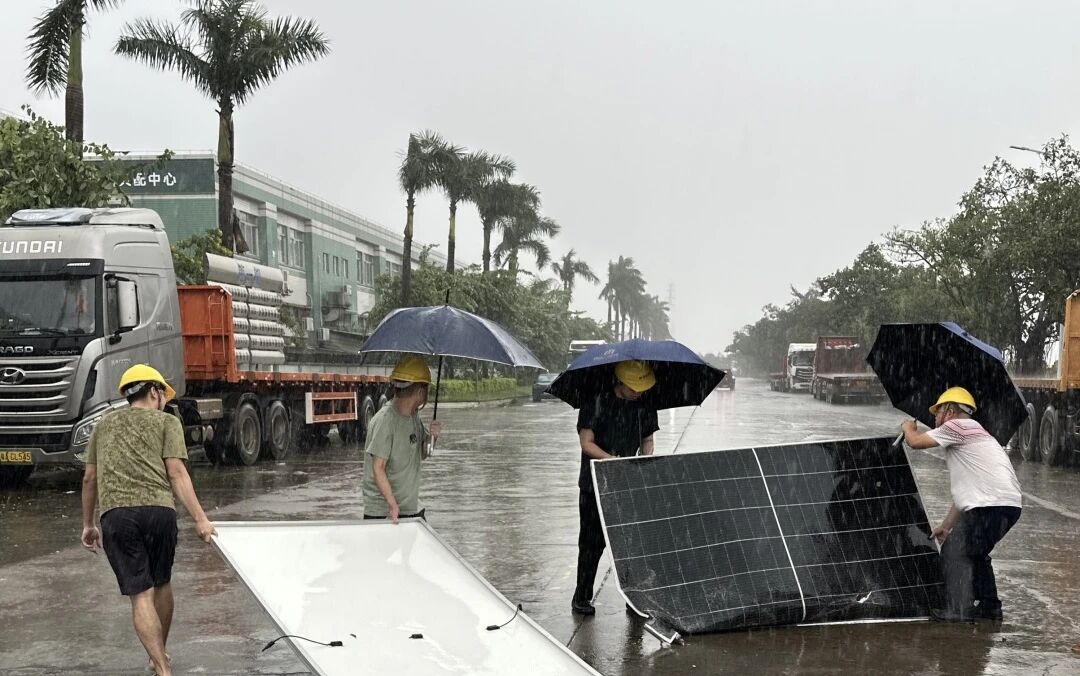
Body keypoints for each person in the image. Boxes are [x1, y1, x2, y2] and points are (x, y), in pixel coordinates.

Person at [80, 364, 216, 676]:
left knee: (141, 595)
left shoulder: (103, 425)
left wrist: (88, 524)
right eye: (163, 395)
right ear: (154, 391)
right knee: (162, 582)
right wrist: (201, 519)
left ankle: (161, 666)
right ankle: (159, 657)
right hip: (159, 513)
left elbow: (89, 478)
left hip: (118, 515)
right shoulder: (167, 422)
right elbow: (177, 473)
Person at [901, 386, 1022, 622]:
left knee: (954, 552)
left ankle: (958, 609)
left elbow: (915, 442)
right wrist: (946, 526)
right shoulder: (977, 434)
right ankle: (989, 608)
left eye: (937, 412)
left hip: (991, 504)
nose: (934, 417)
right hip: (1006, 505)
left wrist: (908, 429)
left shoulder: (958, 426)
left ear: (949, 410)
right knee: (975, 553)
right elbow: (964, 497)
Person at [572, 359, 659, 616]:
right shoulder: (595, 401)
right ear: (620, 382)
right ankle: (582, 597)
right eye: (633, 387)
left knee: (631, 544)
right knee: (591, 544)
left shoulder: (645, 404)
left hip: (628, 483)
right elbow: (586, 443)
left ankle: (634, 600)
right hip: (594, 484)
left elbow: (648, 438)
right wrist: (611, 460)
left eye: (642, 388)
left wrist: (644, 458)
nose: (638, 392)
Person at [362, 355, 442, 523]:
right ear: (420, 391)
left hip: (409, 509)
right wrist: (392, 504)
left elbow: (422, 452)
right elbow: (378, 468)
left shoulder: (413, 417)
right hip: (385, 513)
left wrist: (432, 437)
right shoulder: (385, 421)